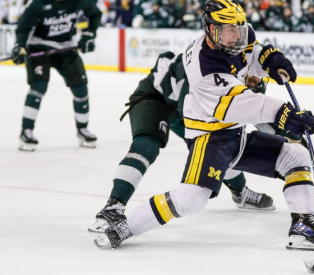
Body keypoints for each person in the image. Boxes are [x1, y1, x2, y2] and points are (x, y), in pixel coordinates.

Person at [94, 0, 314, 251]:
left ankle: (303, 228)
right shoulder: (203, 67)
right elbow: (239, 105)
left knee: (295, 156)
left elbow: (252, 53)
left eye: (239, 28)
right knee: (191, 199)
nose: (236, 36)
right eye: (228, 30)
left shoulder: (237, 37)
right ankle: (126, 226)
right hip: (210, 138)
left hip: (235, 133)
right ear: (210, 29)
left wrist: (269, 57)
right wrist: (283, 114)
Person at [88, 51, 277, 233]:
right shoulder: (209, 75)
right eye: (252, 80)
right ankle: (113, 207)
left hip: (185, 105)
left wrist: (291, 132)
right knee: (147, 145)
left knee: (221, 146)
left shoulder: (235, 74)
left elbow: (257, 113)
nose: (255, 82)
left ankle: (240, 192)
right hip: (156, 97)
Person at [12, 0, 101, 151]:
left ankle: (82, 129)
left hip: (66, 47)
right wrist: (20, 46)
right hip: (38, 48)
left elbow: (95, 14)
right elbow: (23, 28)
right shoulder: (38, 4)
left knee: (81, 88)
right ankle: (26, 131)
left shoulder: (79, 2)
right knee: (38, 87)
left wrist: (88, 35)